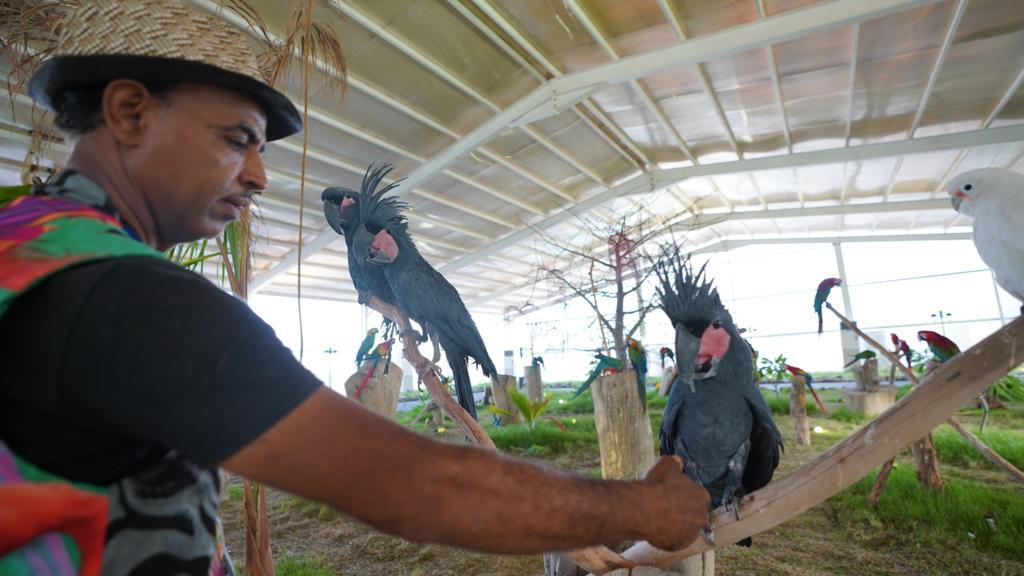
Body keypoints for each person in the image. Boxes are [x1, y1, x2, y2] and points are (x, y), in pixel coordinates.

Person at [0, 1, 710, 574]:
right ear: (129, 112)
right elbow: (418, 487)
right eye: (236, 138)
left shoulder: (24, 245)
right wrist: (641, 509)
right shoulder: (135, 302)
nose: (259, 176)